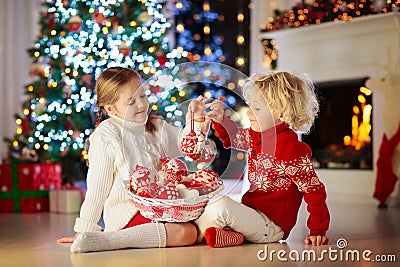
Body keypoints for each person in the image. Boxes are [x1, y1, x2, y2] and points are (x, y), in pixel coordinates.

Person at [57, 67, 197, 253]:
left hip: (161, 205)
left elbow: (186, 143)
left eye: (143, 96)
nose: (141, 105)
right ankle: (109, 239)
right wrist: (84, 229)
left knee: (204, 219)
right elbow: (98, 189)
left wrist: (197, 124)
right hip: (129, 213)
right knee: (187, 233)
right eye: (131, 101)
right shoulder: (107, 134)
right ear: (110, 108)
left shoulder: (155, 126)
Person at [191, 71, 330, 248]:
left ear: (282, 113)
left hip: (271, 226)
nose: (248, 112)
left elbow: (314, 191)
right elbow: (233, 137)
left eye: (256, 108)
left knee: (222, 205)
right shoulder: (256, 136)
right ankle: (233, 236)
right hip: (252, 214)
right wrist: (220, 120)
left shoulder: (292, 149)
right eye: (250, 106)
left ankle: (190, 235)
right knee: (213, 200)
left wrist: (317, 231)